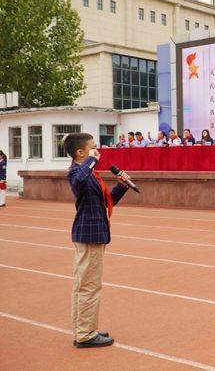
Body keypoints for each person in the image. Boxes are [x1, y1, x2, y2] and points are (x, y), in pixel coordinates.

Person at [64, 132, 132, 348]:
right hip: (89, 235)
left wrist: (122, 185)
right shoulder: (77, 172)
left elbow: (105, 201)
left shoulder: (89, 174)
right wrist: (92, 160)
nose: (97, 151)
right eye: (93, 148)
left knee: (84, 285)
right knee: (89, 286)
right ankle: (85, 334)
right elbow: (78, 180)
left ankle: (83, 329)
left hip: (93, 233)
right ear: (80, 152)